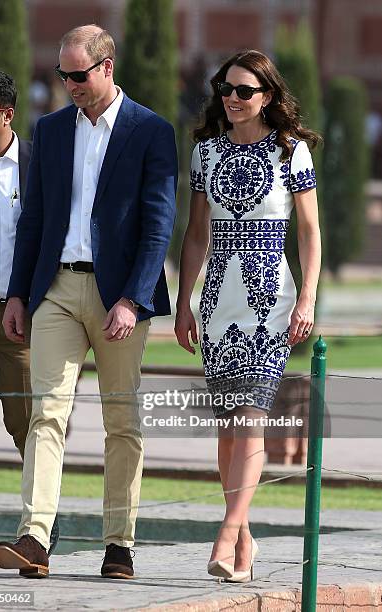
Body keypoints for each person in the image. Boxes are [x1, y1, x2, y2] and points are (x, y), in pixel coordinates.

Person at [0, 24, 177, 579]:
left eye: (79, 74)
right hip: (56, 291)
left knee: (122, 421)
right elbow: (34, 221)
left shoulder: (151, 130)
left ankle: (119, 545)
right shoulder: (48, 131)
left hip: (119, 295)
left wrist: (133, 298)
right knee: (47, 413)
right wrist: (19, 293)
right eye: (62, 74)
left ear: (107, 67)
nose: (69, 84)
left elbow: (158, 225)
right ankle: (34, 538)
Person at [175, 50, 321, 582]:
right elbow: (195, 236)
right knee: (228, 431)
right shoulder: (206, 154)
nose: (232, 99)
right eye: (226, 90)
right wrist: (185, 303)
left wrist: (306, 299)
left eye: (244, 90)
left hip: (269, 300)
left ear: (267, 97)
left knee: (250, 418)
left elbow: (309, 233)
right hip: (216, 302)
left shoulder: (291, 152)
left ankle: (227, 532)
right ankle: (246, 542)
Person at [0, 69, 60, 570]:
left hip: (23, 317)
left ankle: (40, 520)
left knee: (28, 425)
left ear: (7, 113)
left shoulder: (37, 167)